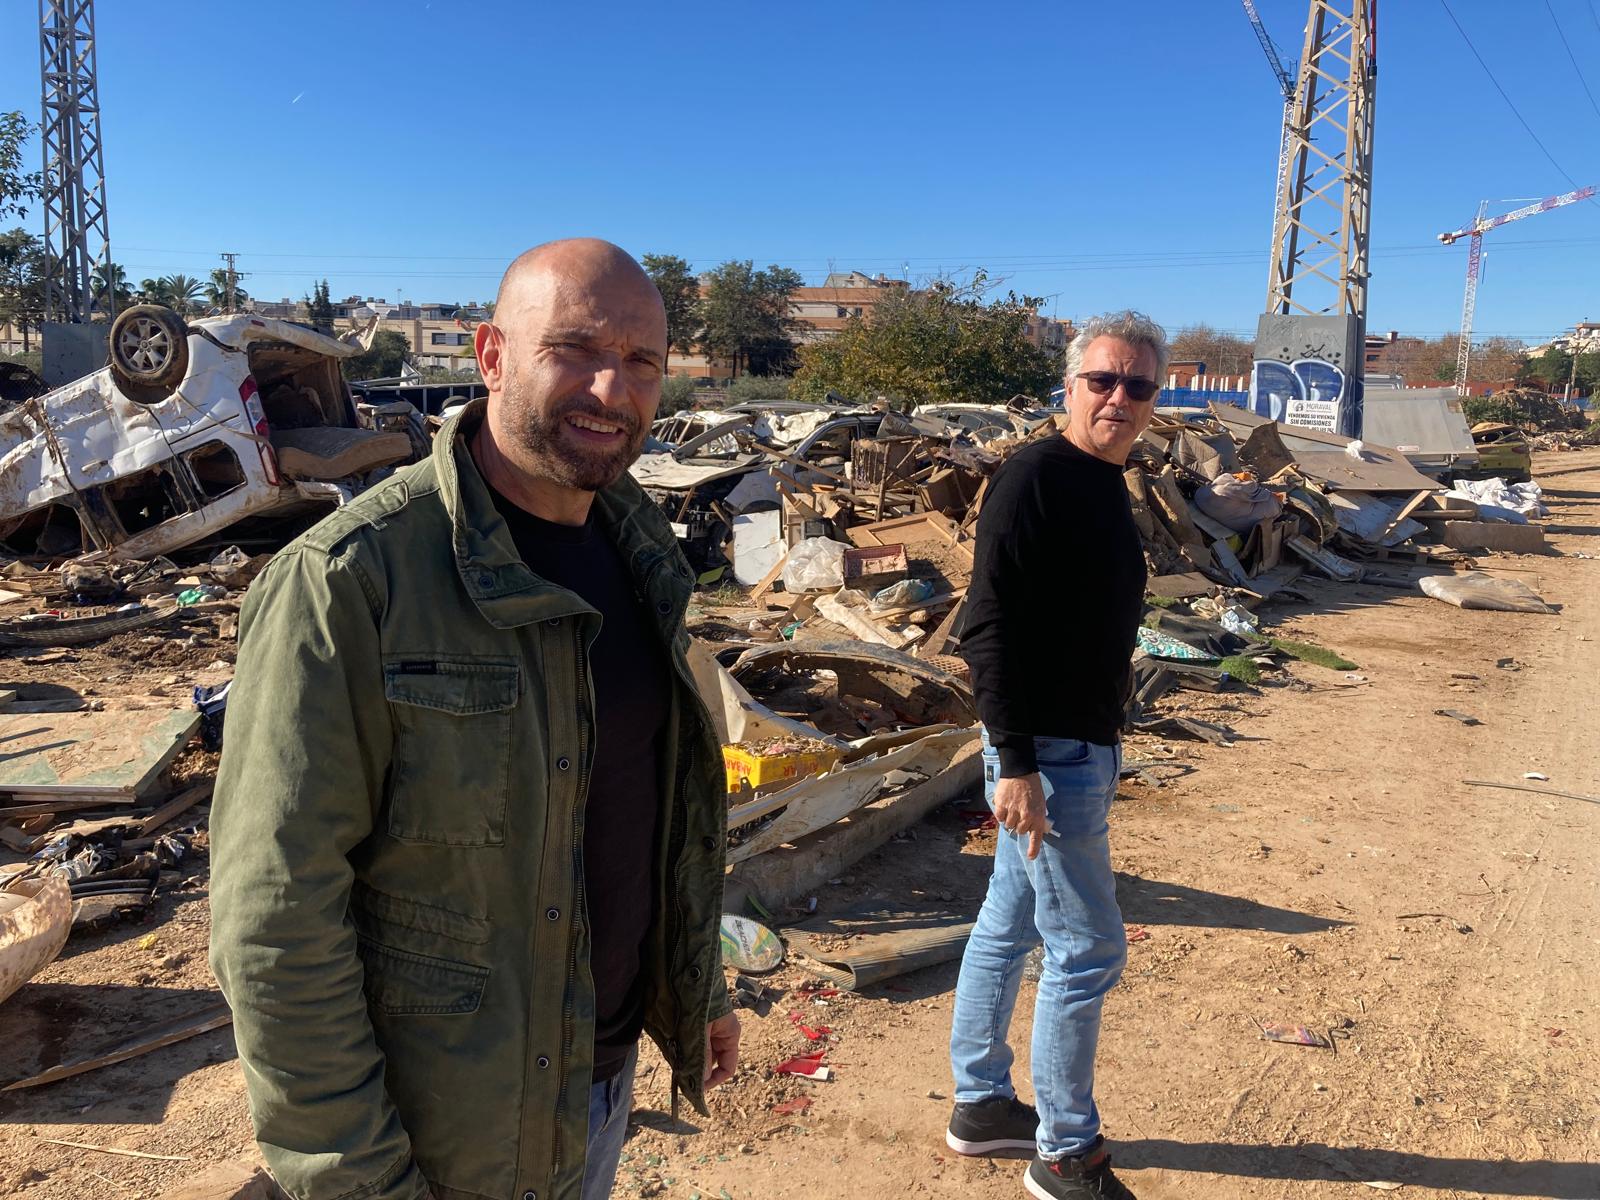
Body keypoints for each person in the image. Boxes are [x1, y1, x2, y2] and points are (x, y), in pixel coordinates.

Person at [209, 238, 739, 1200]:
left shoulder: (638, 545)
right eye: (575, 349)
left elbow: (639, 808)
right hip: (443, 1134)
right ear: (490, 357)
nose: (612, 390)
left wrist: (692, 986)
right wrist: (360, 1177)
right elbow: (274, 921)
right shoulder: (351, 582)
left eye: (643, 361)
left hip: (596, 1081)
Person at [945, 311, 1166, 1199]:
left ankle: (980, 1107)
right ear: (1068, 387)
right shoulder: (1035, 477)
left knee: (1009, 922)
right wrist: (1017, 762)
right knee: (1087, 948)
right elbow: (986, 625)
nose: (1119, 397)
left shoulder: (1103, 480)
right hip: (1050, 757)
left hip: (1078, 744)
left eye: (1138, 385)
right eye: (1103, 380)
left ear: (1156, 397)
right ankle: (1065, 1153)